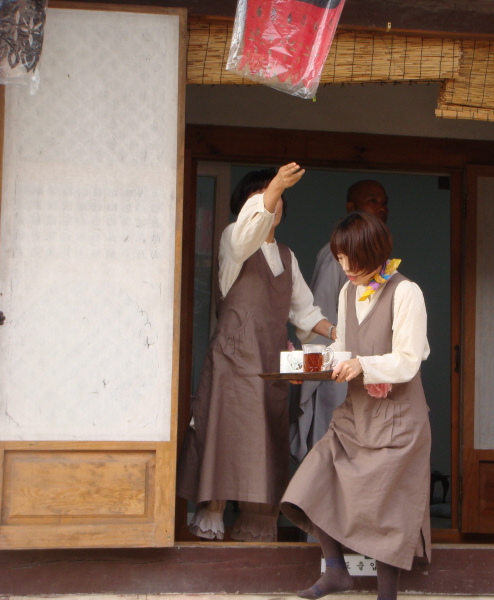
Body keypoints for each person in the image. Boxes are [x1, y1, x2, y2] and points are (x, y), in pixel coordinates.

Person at [177, 163, 336, 543]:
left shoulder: (287, 255)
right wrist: (276, 184)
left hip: (271, 364)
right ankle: (211, 517)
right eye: (263, 196)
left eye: (278, 196)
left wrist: (339, 333)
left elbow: (305, 312)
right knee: (224, 436)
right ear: (245, 206)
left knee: (264, 442)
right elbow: (248, 232)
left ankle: (256, 524)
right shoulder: (234, 240)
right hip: (233, 361)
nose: (272, 201)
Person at [281, 212, 431, 600]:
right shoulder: (349, 292)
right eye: (340, 259)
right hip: (356, 414)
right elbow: (343, 348)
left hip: (398, 418)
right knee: (316, 479)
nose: (346, 267)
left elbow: (409, 359)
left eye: (353, 259)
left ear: (376, 252)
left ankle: (387, 596)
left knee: (386, 508)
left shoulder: (406, 292)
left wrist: (363, 365)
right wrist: (306, 368)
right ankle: (336, 571)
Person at [290, 180, 389, 463]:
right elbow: (319, 318)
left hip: (372, 372)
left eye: (384, 202)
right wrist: (315, 373)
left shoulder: (385, 267)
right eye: (373, 200)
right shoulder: (336, 256)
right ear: (351, 207)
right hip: (338, 372)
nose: (381, 208)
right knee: (333, 452)